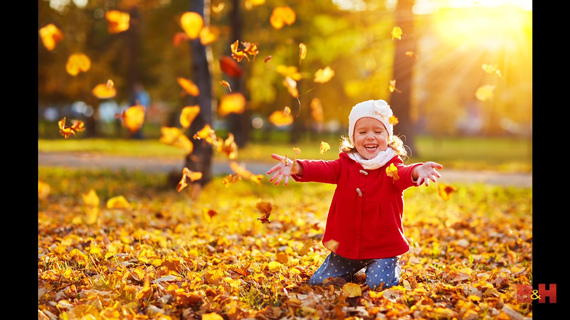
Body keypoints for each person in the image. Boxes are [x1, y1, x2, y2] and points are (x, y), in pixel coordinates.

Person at [266, 99, 443, 290]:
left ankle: (389, 265)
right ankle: (352, 267)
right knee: (319, 283)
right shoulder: (344, 165)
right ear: (353, 136)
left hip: (382, 248)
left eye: (378, 131)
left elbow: (404, 174)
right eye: (362, 131)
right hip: (347, 249)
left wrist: (417, 171)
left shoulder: (391, 167)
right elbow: (320, 168)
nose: (370, 137)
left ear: (388, 136)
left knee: (378, 285)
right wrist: (296, 166)